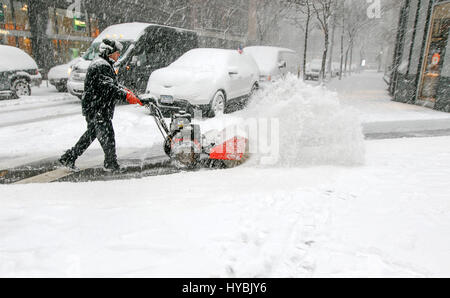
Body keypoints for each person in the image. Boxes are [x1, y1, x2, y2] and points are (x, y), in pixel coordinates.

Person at [59, 39, 143, 172]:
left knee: (92, 134)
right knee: (107, 135)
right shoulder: (101, 65)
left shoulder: (103, 63)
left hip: (94, 106)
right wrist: (126, 96)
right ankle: (110, 163)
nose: (118, 55)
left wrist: (128, 92)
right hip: (98, 107)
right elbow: (109, 87)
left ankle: (69, 157)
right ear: (108, 53)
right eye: (116, 53)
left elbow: (112, 84)